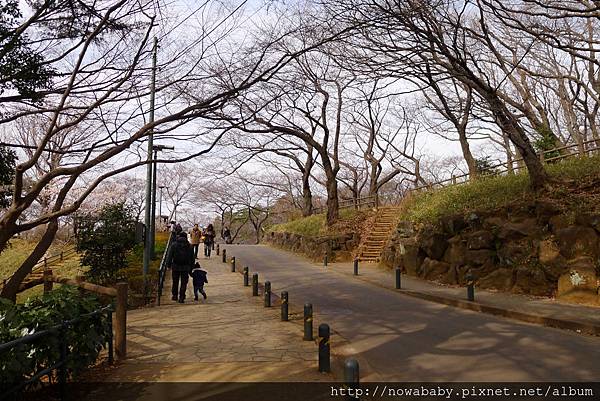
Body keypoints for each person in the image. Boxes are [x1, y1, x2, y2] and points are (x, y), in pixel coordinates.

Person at [167, 231, 194, 303]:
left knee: (175, 281)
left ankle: (174, 296)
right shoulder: (190, 246)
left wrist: (168, 265)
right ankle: (182, 297)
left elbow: (170, 256)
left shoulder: (174, 245)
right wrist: (191, 268)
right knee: (184, 282)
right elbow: (192, 259)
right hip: (185, 267)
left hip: (175, 266)